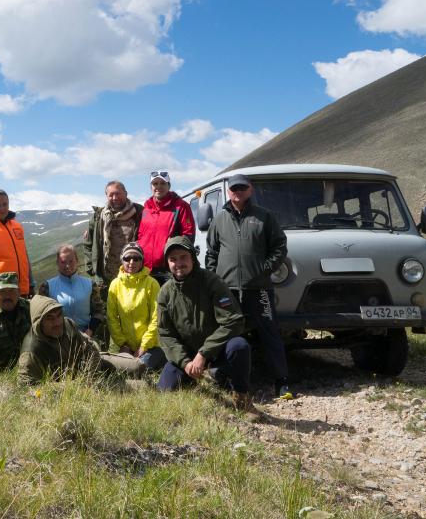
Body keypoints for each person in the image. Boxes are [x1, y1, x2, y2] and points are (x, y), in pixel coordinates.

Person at [205, 173, 292, 399]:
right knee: (224, 332)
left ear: (250, 190)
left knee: (269, 333)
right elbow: (212, 252)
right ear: (229, 191)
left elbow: (280, 247)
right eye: (234, 188)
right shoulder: (219, 218)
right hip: (228, 290)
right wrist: (215, 280)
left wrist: (264, 269)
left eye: (242, 188)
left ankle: (282, 381)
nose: (238, 192)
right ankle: (224, 377)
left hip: (259, 289)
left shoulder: (264, 216)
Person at [156, 237, 261, 420]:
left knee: (239, 346)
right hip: (188, 354)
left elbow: (233, 321)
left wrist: (203, 354)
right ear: (167, 262)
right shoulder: (165, 292)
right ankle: (197, 378)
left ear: (193, 258)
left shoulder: (211, 282)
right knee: (165, 390)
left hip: (216, 350)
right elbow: (165, 334)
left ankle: (241, 397)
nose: (179, 263)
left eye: (183, 257)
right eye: (173, 259)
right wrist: (185, 362)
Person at [17, 295, 118, 386]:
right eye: (50, 318)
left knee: (133, 366)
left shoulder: (68, 324)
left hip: (92, 371)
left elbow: (91, 349)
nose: (57, 323)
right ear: (38, 323)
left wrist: (90, 378)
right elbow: (26, 388)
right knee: (127, 388)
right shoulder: (31, 352)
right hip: (72, 390)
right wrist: (75, 386)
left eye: (59, 315)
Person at [104, 242, 165, 375]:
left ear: (142, 261)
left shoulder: (152, 284)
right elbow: (111, 317)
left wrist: (144, 345)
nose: (131, 262)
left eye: (136, 258)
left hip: (151, 346)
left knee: (138, 371)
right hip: (126, 347)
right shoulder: (115, 285)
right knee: (122, 372)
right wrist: (123, 345)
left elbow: (157, 317)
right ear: (122, 260)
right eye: (127, 258)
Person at [83, 180, 143, 299]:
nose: (115, 198)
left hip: (133, 274)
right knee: (109, 312)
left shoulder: (139, 213)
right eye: (111, 195)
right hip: (106, 278)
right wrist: (91, 266)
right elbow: (88, 242)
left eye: (118, 193)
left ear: (126, 194)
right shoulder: (98, 216)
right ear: (106, 196)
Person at [138, 170, 195, 284]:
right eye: (155, 184)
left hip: (168, 270)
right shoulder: (146, 209)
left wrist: (176, 261)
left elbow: (188, 236)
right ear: (151, 187)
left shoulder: (181, 206)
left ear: (169, 186)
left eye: (163, 183)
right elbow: (141, 235)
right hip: (146, 269)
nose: (159, 186)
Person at [38, 244, 105, 341]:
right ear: (57, 263)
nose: (67, 265)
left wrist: (90, 331)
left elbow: (98, 311)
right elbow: (41, 317)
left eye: (71, 261)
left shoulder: (90, 284)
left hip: (88, 337)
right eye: (63, 262)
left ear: (77, 261)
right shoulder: (47, 287)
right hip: (58, 340)